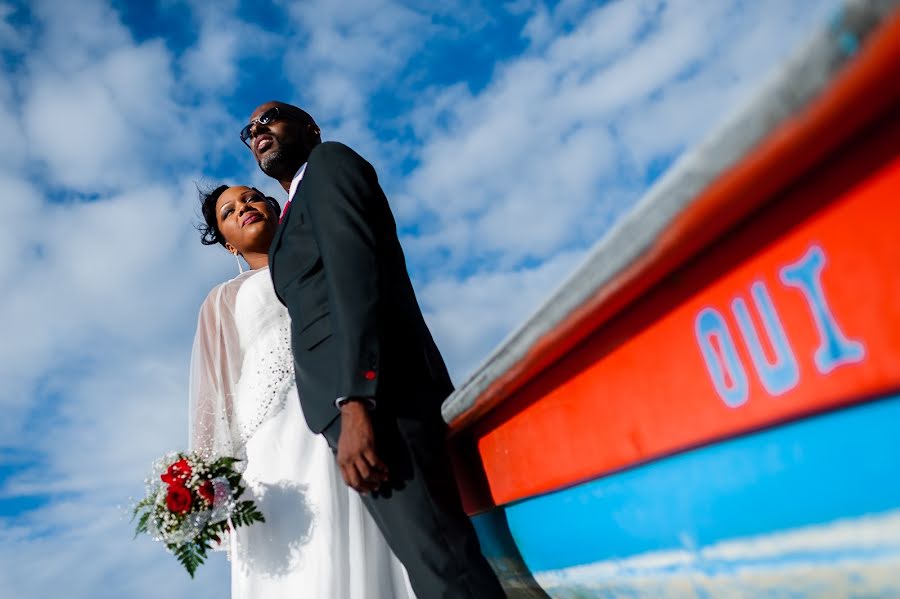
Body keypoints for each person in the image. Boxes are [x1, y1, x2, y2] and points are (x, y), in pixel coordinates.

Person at [242, 101, 506, 598]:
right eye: (248, 130)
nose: (258, 131)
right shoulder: (296, 209)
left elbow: (356, 275)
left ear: (309, 128)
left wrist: (357, 399)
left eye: (270, 118)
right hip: (352, 409)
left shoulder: (328, 164)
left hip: (381, 399)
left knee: (443, 566)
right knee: (430, 564)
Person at [189, 184, 416, 599]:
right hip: (271, 432)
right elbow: (215, 392)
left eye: (251, 198)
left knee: (356, 517)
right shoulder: (223, 299)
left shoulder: (320, 259)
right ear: (227, 245)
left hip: (342, 405)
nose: (244, 208)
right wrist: (215, 481)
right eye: (229, 212)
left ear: (276, 210)